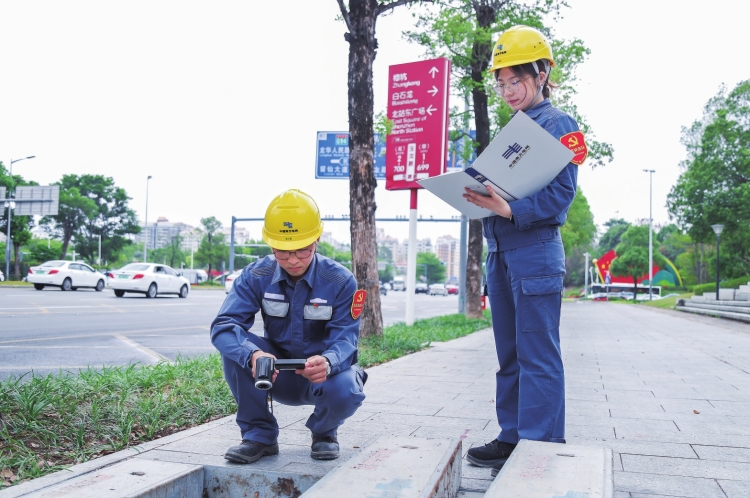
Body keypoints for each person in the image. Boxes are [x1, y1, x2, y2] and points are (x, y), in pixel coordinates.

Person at [462, 25, 587, 475]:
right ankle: (512, 435)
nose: (508, 90)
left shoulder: (560, 125)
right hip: (501, 252)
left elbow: (559, 198)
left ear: (542, 72)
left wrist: (507, 207)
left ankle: (539, 446)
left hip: (534, 250)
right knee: (510, 353)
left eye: (516, 80)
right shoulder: (514, 129)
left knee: (538, 352)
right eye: (501, 83)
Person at [211, 189, 367, 464]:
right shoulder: (256, 275)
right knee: (235, 345)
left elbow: (346, 339)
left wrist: (329, 362)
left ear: (317, 239)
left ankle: (324, 433)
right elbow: (224, 326)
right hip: (274, 374)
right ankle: (259, 435)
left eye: (302, 250)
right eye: (283, 252)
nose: (293, 260)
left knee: (347, 388)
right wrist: (253, 355)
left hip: (322, 375)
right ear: (271, 245)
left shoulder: (340, 281)